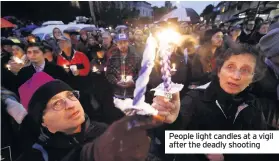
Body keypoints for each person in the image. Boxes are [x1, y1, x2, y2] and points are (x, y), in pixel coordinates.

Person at [152, 45, 275, 161]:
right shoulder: (195, 98)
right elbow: (169, 141)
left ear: (253, 78)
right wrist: (170, 122)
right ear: (219, 71)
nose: (236, 76)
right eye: (230, 67)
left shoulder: (258, 106)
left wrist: (229, 155)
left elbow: (267, 146)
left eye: (245, 70)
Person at [16, 72, 160, 161]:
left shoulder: (104, 131)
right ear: (42, 121)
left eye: (70, 95)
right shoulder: (36, 156)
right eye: (57, 104)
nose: (71, 105)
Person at [106, 33, 141, 99]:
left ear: (128, 43)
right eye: (120, 43)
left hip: (133, 93)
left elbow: (141, 73)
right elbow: (108, 74)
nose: (123, 45)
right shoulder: (112, 58)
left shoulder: (136, 57)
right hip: (117, 93)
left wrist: (133, 81)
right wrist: (116, 81)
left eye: (125, 42)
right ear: (117, 44)